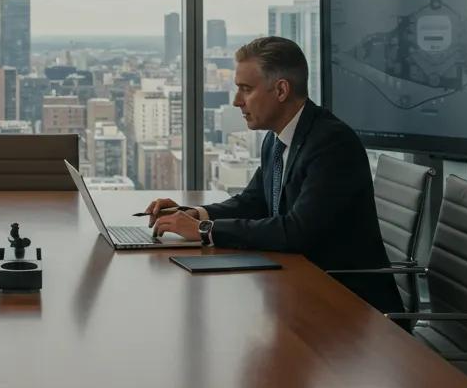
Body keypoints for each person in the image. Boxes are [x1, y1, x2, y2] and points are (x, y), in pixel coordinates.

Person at [145, 37, 402, 313]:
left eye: (246, 89)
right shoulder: (276, 140)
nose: (236, 101)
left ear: (281, 90)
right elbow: (253, 203)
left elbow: (296, 231)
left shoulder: (331, 144)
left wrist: (203, 231)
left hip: (352, 306)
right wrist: (195, 214)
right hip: (303, 288)